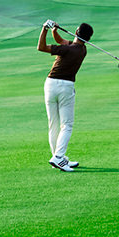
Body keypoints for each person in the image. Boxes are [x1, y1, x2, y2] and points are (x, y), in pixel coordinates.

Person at [36, 19, 92, 171]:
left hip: (50, 84)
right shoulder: (82, 50)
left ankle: (57, 157)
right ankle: (58, 158)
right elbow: (61, 41)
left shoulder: (67, 49)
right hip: (65, 87)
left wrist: (45, 29)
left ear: (76, 32)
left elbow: (41, 47)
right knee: (66, 125)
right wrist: (54, 30)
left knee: (54, 124)